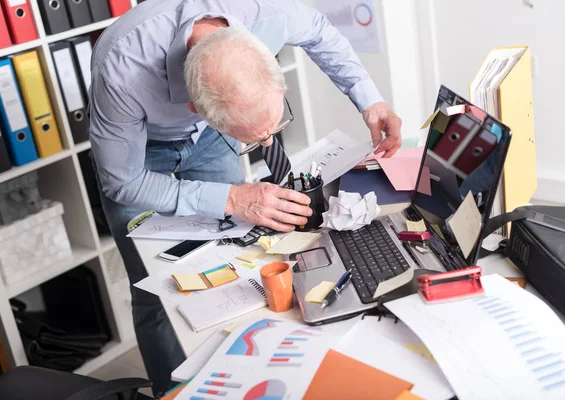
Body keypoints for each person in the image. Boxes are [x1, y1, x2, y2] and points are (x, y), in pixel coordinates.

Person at [88, 0, 402, 396]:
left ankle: (236, 381)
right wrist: (233, 198)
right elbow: (124, 183)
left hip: (211, 139)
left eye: (275, 125)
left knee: (238, 262)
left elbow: (322, 31)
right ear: (194, 108)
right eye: (256, 139)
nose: (270, 143)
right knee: (154, 289)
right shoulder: (121, 69)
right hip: (140, 149)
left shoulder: (266, 13)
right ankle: (176, 392)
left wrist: (370, 100)